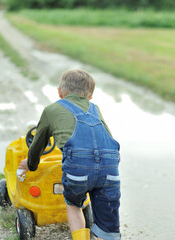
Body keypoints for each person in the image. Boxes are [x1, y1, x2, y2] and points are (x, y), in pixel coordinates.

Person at [18, 69, 121, 240]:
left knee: (74, 204)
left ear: (60, 92)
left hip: (78, 169)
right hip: (109, 168)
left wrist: (30, 163)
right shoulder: (95, 109)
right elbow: (108, 139)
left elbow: (38, 143)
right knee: (107, 225)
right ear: (89, 97)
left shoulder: (51, 110)